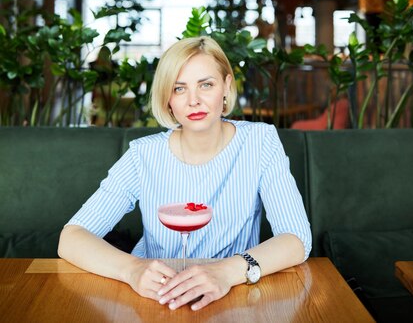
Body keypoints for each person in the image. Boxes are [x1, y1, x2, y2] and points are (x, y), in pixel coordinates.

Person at [58, 36, 311, 311]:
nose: (193, 100)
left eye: (206, 85)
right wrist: (132, 270)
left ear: (226, 87)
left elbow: (296, 239)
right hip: (155, 300)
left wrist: (226, 273)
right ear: (168, 99)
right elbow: (71, 238)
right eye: (179, 89)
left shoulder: (260, 142)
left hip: (234, 297)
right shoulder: (143, 155)